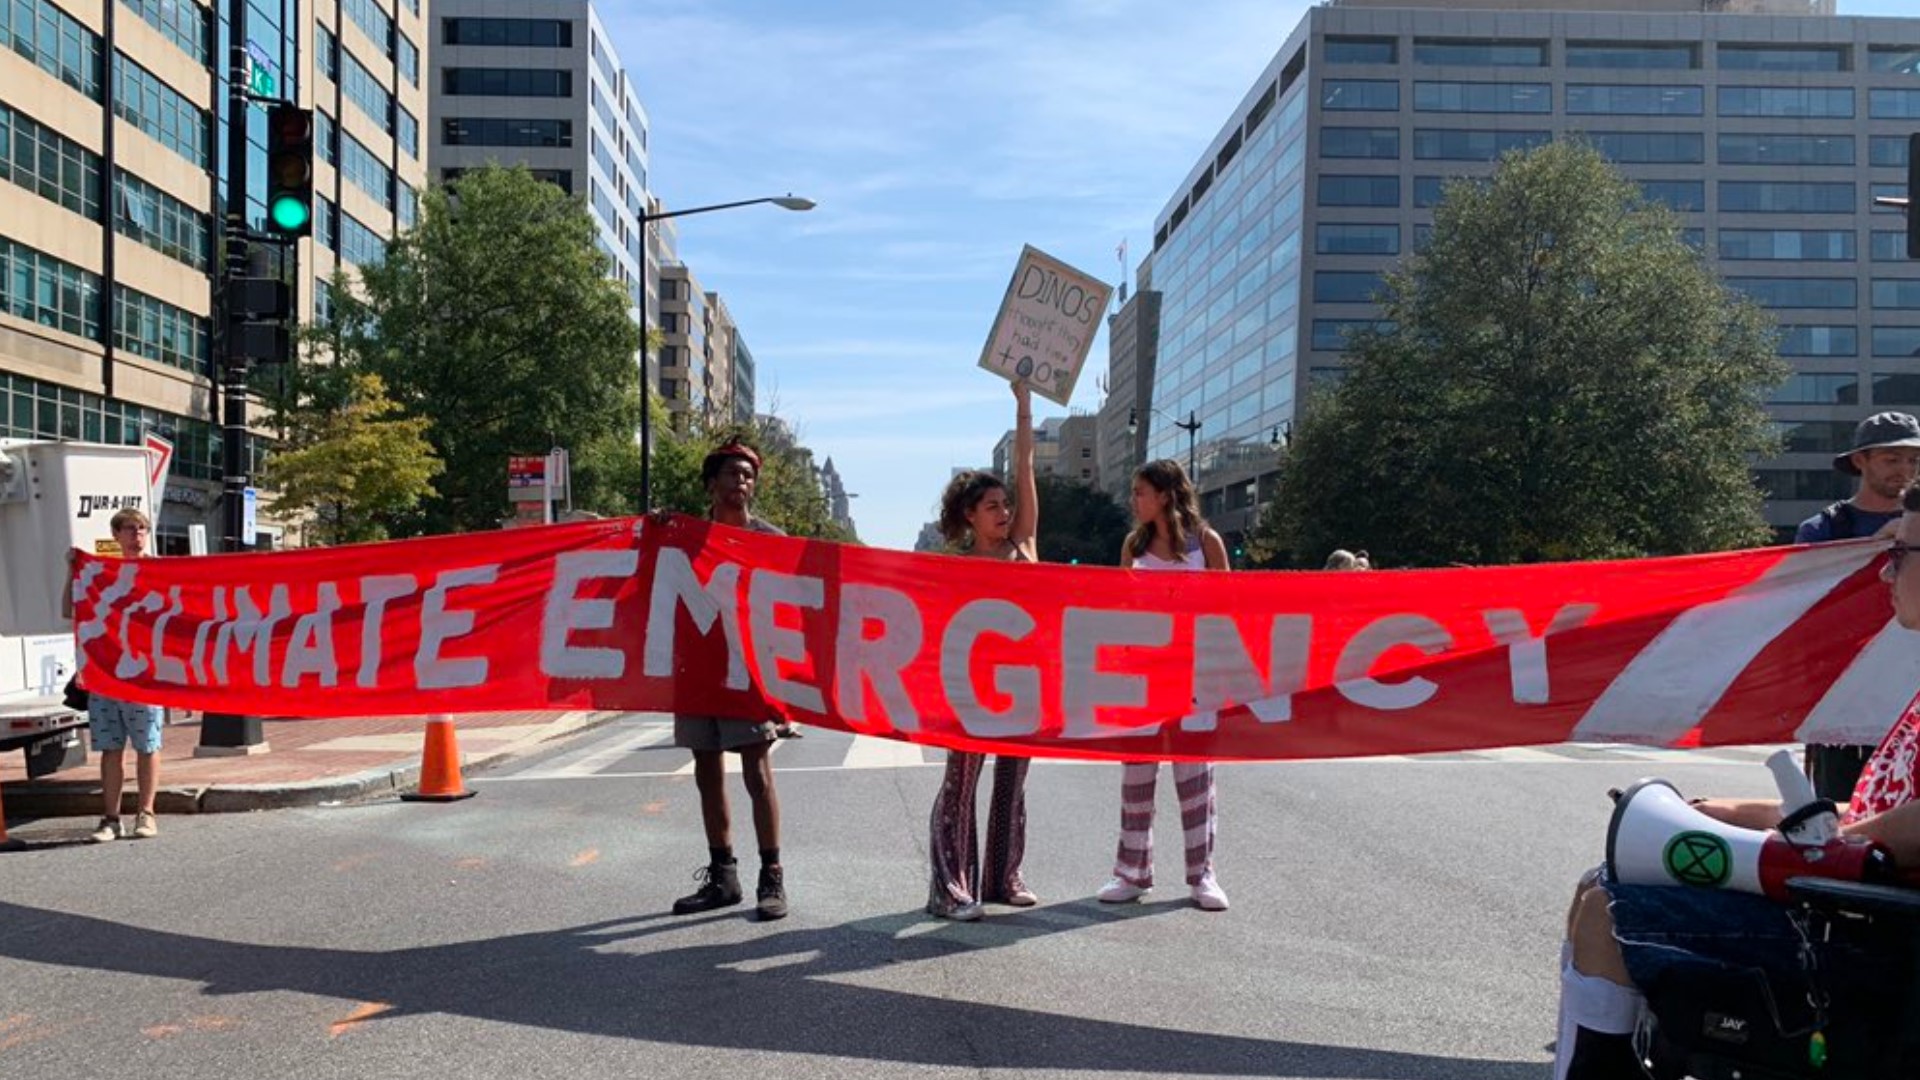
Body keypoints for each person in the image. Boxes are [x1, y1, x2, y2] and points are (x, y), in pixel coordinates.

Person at [1548, 478, 1920, 1080]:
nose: (1885, 574)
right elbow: (1869, 814)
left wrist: (1814, 848)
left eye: (1901, 554)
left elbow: (1889, 832)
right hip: (1863, 912)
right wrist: (1724, 813)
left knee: (1609, 911)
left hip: (1877, 942)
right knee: (1602, 881)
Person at [1095, 459, 1232, 912]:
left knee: (1195, 779)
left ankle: (1202, 876)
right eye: (1133, 492)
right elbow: (1119, 606)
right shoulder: (1133, 545)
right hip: (1141, 675)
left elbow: (1230, 606)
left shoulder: (1205, 543)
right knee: (1137, 777)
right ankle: (1131, 872)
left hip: (1194, 675)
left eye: (1140, 492)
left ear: (1166, 496)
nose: (1133, 500)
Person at [926, 380, 1039, 921]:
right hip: (970, 691)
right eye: (992, 505)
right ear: (970, 515)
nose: (1003, 511)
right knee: (961, 785)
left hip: (1022, 687)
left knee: (1012, 784)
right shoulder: (956, 567)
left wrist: (1023, 408)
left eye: (1005, 505)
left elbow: (1026, 469)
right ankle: (951, 888)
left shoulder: (1025, 547)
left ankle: (1003, 877)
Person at [669, 437, 791, 921]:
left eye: (747, 475)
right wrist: (658, 525)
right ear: (711, 484)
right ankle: (724, 876)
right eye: (731, 475)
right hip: (697, 670)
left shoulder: (771, 540)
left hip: (747, 671)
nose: (741, 482)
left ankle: (772, 876)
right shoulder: (685, 538)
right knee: (706, 771)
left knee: (757, 773)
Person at [1794, 411, 1920, 803]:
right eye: (1891, 458)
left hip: (1911, 699)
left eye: (1914, 460)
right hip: (1846, 705)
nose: (1905, 469)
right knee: (1840, 821)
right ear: (1860, 461)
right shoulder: (1825, 528)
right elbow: (1807, 611)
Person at [85, 509, 164, 843]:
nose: (138, 535)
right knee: (110, 747)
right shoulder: (101, 573)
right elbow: (70, 610)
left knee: (148, 745)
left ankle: (146, 813)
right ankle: (110, 819)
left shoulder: (160, 571)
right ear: (116, 535)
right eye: (131, 529)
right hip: (106, 674)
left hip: (144, 674)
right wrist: (71, 573)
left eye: (143, 528)